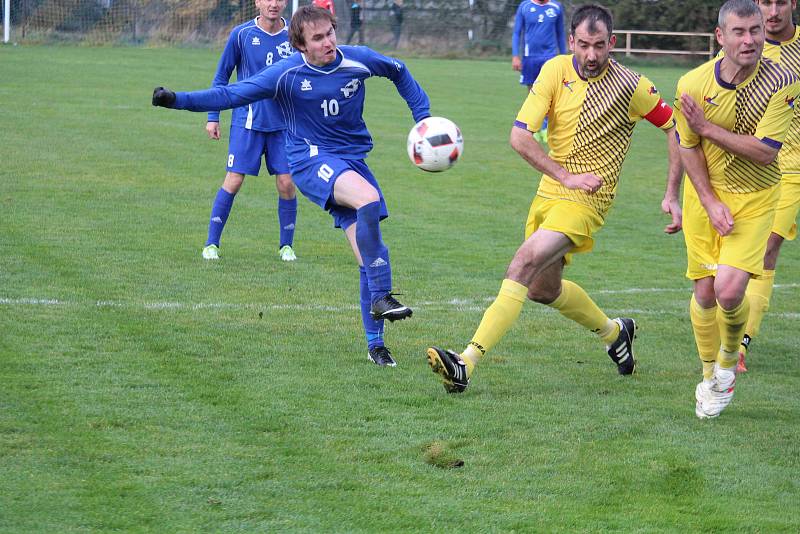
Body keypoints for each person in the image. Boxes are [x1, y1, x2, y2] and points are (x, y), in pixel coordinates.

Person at [153, 5, 430, 367]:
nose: (328, 42)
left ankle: (375, 344)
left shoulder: (357, 60)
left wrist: (424, 120)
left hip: (352, 162)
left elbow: (399, 71)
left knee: (369, 254)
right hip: (309, 160)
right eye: (318, 38)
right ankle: (382, 295)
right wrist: (177, 101)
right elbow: (230, 94)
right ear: (300, 45)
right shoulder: (285, 74)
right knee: (368, 200)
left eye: (330, 32)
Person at [426, 4, 682, 393]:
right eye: (583, 45)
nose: (592, 55)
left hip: (588, 200)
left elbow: (674, 128)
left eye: (600, 45)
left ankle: (466, 362)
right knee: (543, 290)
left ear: (612, 43)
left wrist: (671, 192)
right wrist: (565, 176)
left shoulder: (633, 85)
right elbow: (519, 136)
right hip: (551, 191)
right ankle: (615, 333)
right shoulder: (553, 70)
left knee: (522, 263)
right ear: (570, 42)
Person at [674, 0, 799, 418]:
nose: (749, 40)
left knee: (729, 290)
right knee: (705, 292)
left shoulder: (784, 79)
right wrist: (706, 201)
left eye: (755, 31)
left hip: (757, 195)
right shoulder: (692, 84)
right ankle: (711, 375)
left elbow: (765, 153)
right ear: (720, 37)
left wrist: (707, 127)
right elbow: (687, 146)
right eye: (740, 32)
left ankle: (729, 360)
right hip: (705, 196)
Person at [202, 0, 298, 262]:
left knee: (287, 183)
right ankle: (212, 243)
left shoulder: (294, 35)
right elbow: (222, 77)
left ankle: (286, 246)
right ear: (257, 2)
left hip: (283, 125)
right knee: (234, 180)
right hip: (248, 121)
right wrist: (213, 116)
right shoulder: (241, 35)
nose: (274, 4)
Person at [737, 0, 800, 372]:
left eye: (780, 1)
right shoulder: (745, 46)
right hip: (748, 165)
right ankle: (730, 321)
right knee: (738, 254)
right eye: (764, 2)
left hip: (793, 168)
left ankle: (742, 341)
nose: (772, 11)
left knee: (768, 247)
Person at [512, 0, 567, 144]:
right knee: (533, 95)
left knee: (551, 96)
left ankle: (545, 128)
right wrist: (515, 56)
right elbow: (517, 32)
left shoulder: (556, 8)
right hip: (530, 58)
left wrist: (565, 57)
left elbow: (560, 35)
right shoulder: (524, 7)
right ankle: (534, 130)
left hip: (550, 58)